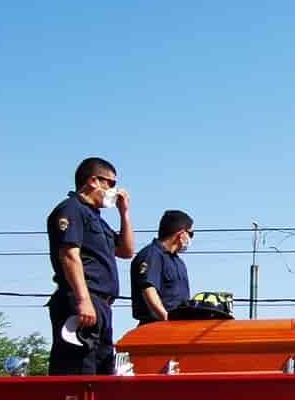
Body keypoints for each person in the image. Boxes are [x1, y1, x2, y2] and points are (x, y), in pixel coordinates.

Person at [47, 156, 135, 375]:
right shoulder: (71, 209)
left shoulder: (96, 218)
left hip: (102, 306)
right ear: (93, 181)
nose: (115, 190)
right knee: (79, 369)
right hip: (83, 300)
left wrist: (124, 213)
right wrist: (83, 300)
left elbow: (126, 251)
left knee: (101, 369)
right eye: (111, 183)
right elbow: (69, 255)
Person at [131, 210, 195, 324]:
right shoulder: (151, 255)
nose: (191, 239)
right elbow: (148, 289)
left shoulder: (178, 262)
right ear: (181, 233)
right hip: (157, 326)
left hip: (178, 326)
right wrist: (165, 319)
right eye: (191, 234)